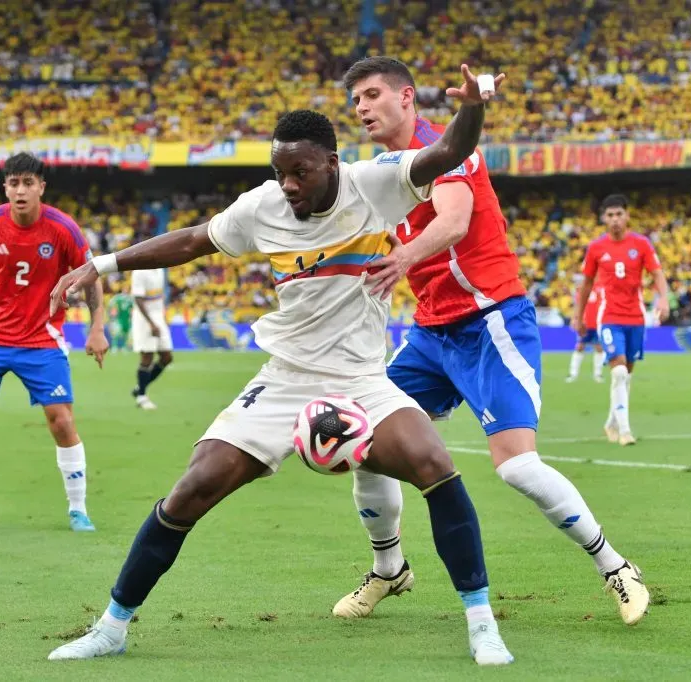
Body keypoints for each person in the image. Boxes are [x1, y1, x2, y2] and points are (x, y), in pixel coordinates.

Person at [45, 67, 517, 666]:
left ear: (333, 163)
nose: (289, 185)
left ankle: (481, 622)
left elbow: (451, 149)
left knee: (434, 465)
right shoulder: (262, 208)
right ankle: (111, 627)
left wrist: (472, 107)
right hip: (284, 378)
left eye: (301, 172)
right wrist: (103, 266)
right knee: (192, 488)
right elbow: (192, 241)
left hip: (362, 381)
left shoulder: (376, 183)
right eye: (280, 172)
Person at [333, 56, 649, 628]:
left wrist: (401, 257)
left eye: (372, 94)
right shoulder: (381, 169)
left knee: (517, 467)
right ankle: (388, 568)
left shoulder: (447, 148)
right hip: (430, 333)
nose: (361, 108)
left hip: (491, 322)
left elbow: (453, 222)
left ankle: (616, 567)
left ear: (407, 98)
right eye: (355, 100)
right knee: (363, 444)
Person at [0, 152, 109, 532]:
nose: (20, 190)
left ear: (41, 188)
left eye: (28, 183)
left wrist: (97, 327)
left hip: (41, 339)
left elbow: (92, 277)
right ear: (5, 187)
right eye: (13, 183)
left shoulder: (63, 229)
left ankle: (78, 509)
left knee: (62, 421)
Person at [573, 194, 670, 446]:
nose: (615, 220)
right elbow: (585, 285)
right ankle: (625, 431)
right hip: (610, 318)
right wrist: (578, 315)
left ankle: (611, 423)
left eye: (619, 214)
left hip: (636, 318)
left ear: (627, 216)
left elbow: (657, 274)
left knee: (625, 374)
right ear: (604, 218)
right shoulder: (596, 248)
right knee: (617, 371)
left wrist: (663, 299)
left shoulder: (642, 244)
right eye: (610, 215)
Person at [130, 264, 174, 410]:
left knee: (167, 357)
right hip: (144, 319)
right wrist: (151, 323)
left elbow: (159, 297)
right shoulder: (140, 271)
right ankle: (142, 396)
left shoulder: (160, 269)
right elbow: (138, 299)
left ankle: (139, 387)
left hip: (158, 316)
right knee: (147, 356)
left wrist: (161, 318)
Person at [567, 274, 606, 383]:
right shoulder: (582, 287)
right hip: (585, 323)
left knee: (599, 347)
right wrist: (575, 318)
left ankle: (598, 374)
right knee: (580, 346)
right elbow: (578, 305)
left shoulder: (601, 287)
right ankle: (573, 374)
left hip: (597, 323)